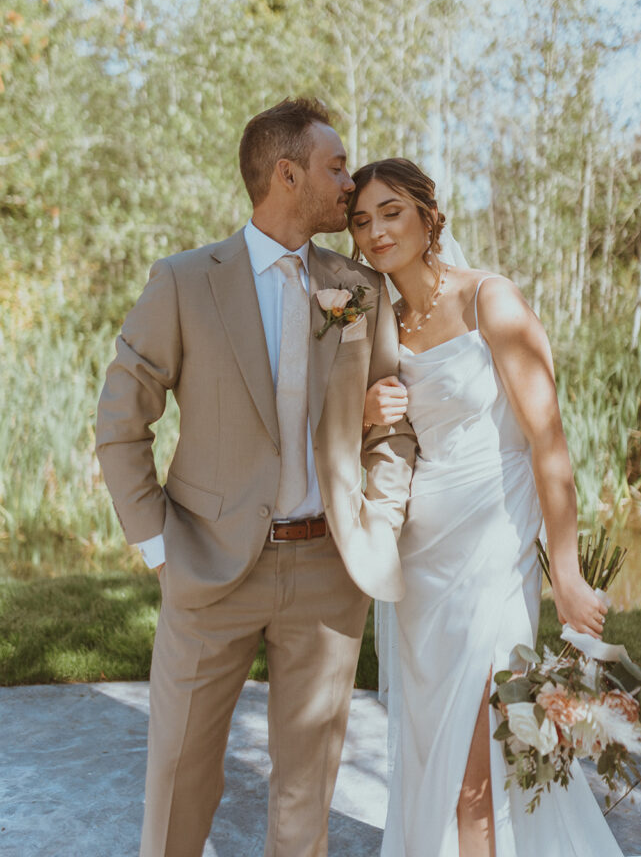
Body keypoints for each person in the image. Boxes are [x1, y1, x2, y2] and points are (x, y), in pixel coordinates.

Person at [95, 100, 416, 857]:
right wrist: (158, 546)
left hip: (326, 570)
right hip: (207, 568)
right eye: (336, 168)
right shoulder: (182, 282)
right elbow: (119, 424)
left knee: (307, 796)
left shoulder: (357, 288)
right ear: (286, 174)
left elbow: (393, 424)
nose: (350, 183)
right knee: (181, 779)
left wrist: (380, 517)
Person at [348, 158, 630, 857]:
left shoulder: (488, 300)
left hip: (493, 539)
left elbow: (548, 441)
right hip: (420, 549)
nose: (375, 231)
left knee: (482, 731)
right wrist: (362, 413)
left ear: (425, 214)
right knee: (428, 728)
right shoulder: (376, 316)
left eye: (390, 212)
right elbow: (341, 424)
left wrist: (563, 572)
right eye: (359, 220)